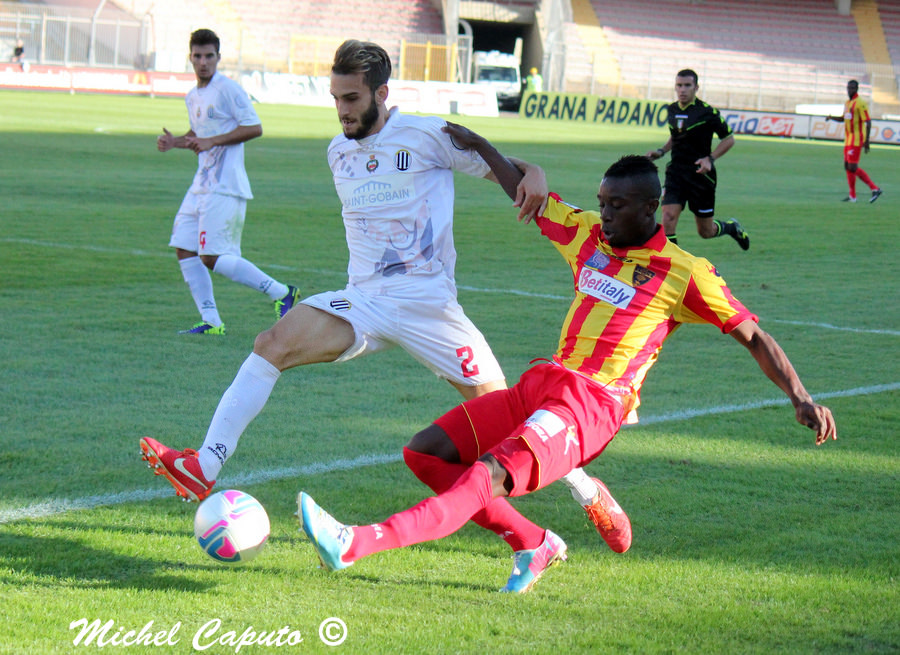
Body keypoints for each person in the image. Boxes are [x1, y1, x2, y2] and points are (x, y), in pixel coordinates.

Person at [298, 136, 837, 594]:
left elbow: (752, 335)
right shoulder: (588, 236)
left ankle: (356, 543)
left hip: (591, 405)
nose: (603, 213)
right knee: (427, 454)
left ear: (651, 208)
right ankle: (534, 543)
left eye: (616, 205)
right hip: (543, 381)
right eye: (602, 202)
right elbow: (527, 192)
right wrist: (478, 144)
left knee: (487, 476)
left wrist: (800, 397)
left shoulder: (685, 273)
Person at [140, 40, 606, 535]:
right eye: (336, 98)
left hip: (429, 306)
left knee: (509, 419)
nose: (341, 111)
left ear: (382, 93)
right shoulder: (337, 151)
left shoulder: (427, 135)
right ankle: (203, 467)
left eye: (352, 99)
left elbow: (498, 167)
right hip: (363, 300)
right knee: (270, 343)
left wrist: (532, 170)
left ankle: (586, 491)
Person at [157, 28, 299, 335]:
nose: (203, 62)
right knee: (184, 246)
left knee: (212, 256)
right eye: (198, 56)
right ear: (190, 58)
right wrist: (177, 142)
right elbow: (200, 136)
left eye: (209, 56)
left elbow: (254, 127)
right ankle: (211, 321)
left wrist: (212, 141)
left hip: (225, 184)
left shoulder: (228, 89)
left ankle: (281, 292)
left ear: (218, 57)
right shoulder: (192, 96)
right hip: (201, 184)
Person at [646, 69, 749, 250]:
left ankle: (732, 228)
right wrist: (661, 151)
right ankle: (673, 266)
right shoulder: (672, 109)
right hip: (676, 173)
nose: (682, 89)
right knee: (668, 217)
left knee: (705, 231)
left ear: (696, 87)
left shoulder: (707, 112)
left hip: (701, 175)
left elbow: (728, 139)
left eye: (687, 85)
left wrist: (710, 158)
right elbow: (677, 136)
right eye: (679, 85)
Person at [826, 79, 882, 204]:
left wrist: (867, 140)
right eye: (848, 88)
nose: (849, 90)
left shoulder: (860, 103)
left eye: (851, 88)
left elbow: (868, 121)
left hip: (856, 139)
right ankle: (852, 196)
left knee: (852, 166)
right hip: (848, 139)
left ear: (856, 89)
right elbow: (843, 119)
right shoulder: (847, 103)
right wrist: (831, 118)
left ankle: (875, 188)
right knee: (847, 166)